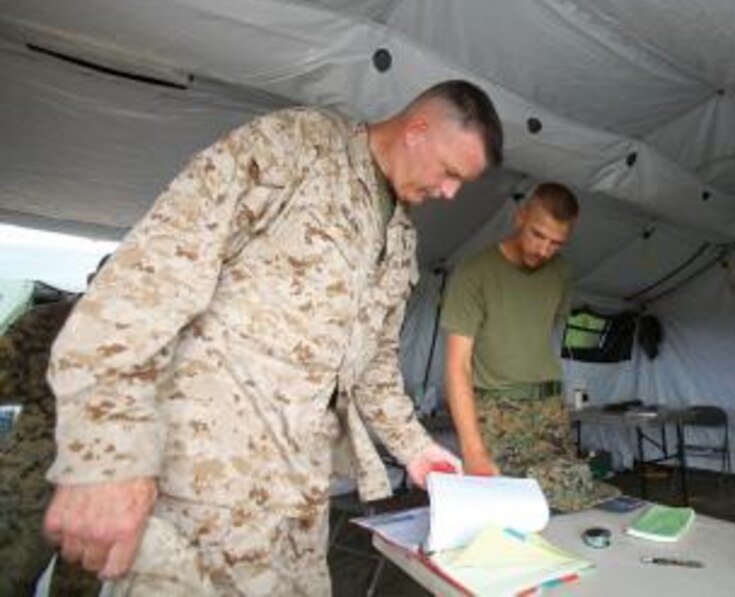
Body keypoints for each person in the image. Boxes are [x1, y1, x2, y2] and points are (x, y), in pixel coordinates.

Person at [42, 80, 504, 595]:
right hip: (201, 490)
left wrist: (419, 451)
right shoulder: (297, 146)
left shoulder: (399, 239)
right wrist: (106, 459)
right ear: (418, 130)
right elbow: (147, 281)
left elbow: (373, 366)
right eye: (450, 173)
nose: (450, 194)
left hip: (300, 498)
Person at [442, 183, 619, 512]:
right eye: (538, 235)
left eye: (557, 243)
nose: (544, 251)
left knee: (567, 506)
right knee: (505, 512)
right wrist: (474, 451)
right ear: (520, 216)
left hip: (550, 408)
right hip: (497, 412)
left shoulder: (561, 272)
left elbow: (544, 330)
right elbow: (457, 367)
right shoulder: (474, 273)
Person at [0, 266, 106, 597]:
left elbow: (4, 383)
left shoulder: (46, 320)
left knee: (8, 574)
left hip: (33, 473)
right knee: (77, 588)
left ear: (92, 278)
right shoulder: (150, 336)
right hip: (101, 485)